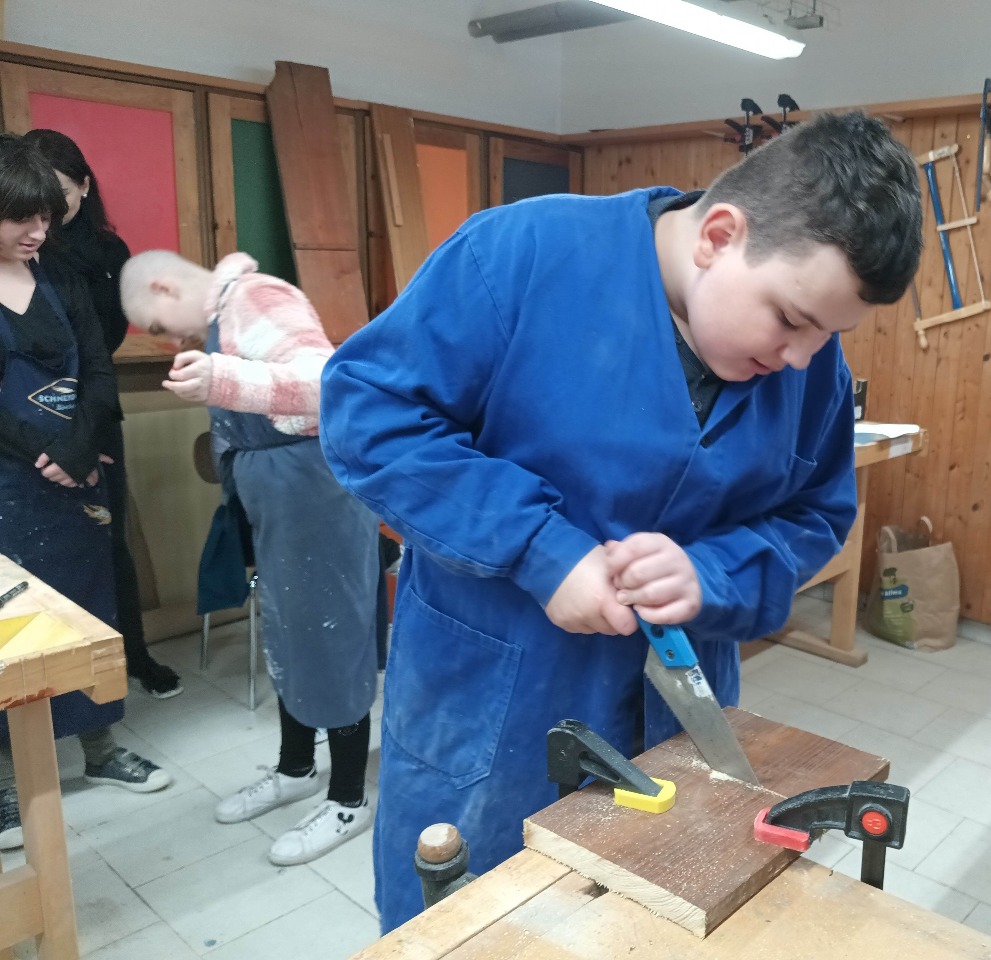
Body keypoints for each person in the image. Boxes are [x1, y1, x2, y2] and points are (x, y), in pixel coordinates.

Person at [318, 110, 923, 930]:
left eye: (829, 334)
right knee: (468, 925)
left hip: (678, 716)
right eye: (789, 319)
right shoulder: (521, 256)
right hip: (492, 706)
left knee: (651, 921)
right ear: (718, 235)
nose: (802, 359)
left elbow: (814, 514)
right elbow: (370, 414)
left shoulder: (807, 364)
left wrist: (711, 573)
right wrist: (538, 546)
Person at [118, 248, 381, 865]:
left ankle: (349, 798)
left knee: (331, 643)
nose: (169, 340)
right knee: (290, 638)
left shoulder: (257, 297)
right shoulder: (225, 315)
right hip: (280, 501)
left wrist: (221, 380)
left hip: (316, 497)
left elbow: (326, 383)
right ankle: (295, 770)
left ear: (163, 288)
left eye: (157, 325)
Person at [0, 134, 171, 853]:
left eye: (46, 216)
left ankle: (101, 748)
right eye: (23, 219)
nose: (39, 232)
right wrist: (42, 452)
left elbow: (97, 367)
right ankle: (5, 782)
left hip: (77, 472)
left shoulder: (60, 275)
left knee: (89, 610)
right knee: (14, 631)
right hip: (11, 482)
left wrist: (77, 446)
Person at [22, 128, 183, 700]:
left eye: (60, 193)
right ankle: (47, 684)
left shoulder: (108, 253)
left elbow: (103, 343)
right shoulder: (23, 250)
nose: (46, 212)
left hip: (93, 408)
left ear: (85, 187)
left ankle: (132, 655)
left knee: (108, 538)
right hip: (27, 419)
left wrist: (86, 428)